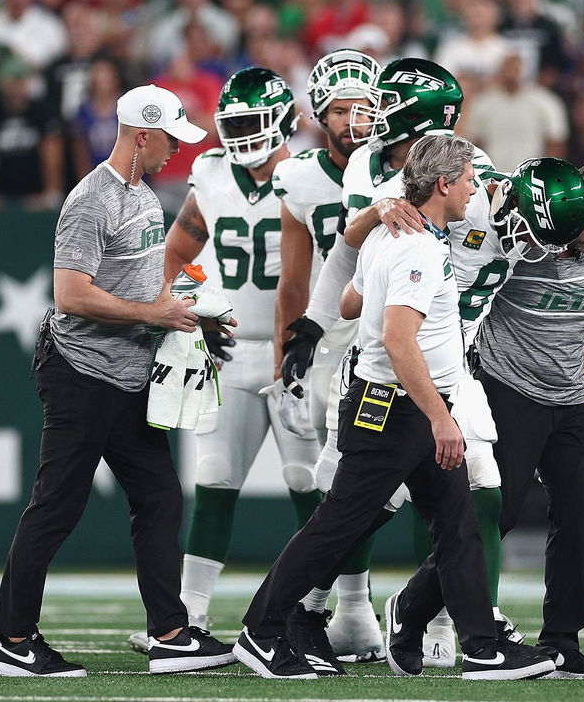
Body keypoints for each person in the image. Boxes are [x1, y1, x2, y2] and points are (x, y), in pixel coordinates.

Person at [232, 134, 555, 681]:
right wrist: (440, 417)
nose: (476, 189)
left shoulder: (399, 233)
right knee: (337, 527)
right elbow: (399, 341)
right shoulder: (418, 246)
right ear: (445, 184)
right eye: (470, 180)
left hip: (398, 403)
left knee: (458, 525)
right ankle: (261, 632)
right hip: (396, 408)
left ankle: (481, 645)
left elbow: (352, 301)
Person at [0, 84, 234, 678]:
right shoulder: (91, 199)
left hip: (126, 374)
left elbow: (142, 287)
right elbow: (70, 295)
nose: (176, 150)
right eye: (171, 138)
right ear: (142, 134)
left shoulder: (146, 197)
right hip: (81, 371)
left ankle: (170, 633)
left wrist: (191, 319)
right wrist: (155, 315)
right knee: (58, 506)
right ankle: (14, 641)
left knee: (159, 495)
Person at [149, 67, 324, 644]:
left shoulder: (307, 176)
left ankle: (322, 611)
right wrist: (189, 302)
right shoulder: (211, 173)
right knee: (215, 475)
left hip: (297, 349)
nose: (242, 134)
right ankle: (190, 615)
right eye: (234, 123)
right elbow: (180, 249)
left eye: (253, 121)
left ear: (282, 120)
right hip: (229, 345)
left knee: (309, 482)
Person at [474, 161, 584, 678]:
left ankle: (562, 641)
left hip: (569, 400)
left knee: (579, 519)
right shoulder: (518, 245)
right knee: (500, 513)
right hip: (509, 391)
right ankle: (415, 608)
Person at [271, 47, 388, 663]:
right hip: (329, 334)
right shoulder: (299, 175)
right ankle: (344, 608)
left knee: (360, 477)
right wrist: (285, 355)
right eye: (340, 109)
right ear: (319, 115)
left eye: (364, 108)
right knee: (342, 479)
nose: (353, 120)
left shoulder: (403, 165)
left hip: (395, 330)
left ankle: (354, 611)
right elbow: (294, 281)